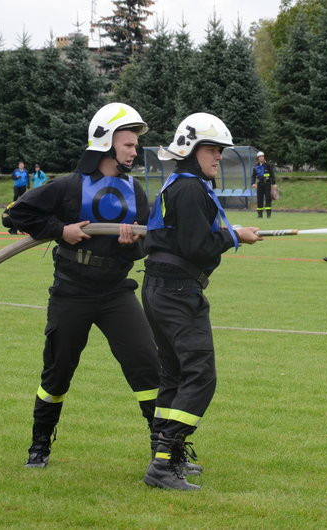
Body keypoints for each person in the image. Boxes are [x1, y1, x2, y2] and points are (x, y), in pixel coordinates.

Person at [5, 102, 161, 469]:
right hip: (71, 291)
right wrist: (60, 230)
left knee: (148, 365)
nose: (134, 152)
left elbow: (146, 244)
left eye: (135, 145)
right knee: (57, 372)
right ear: (106, 143)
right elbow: (14, 215)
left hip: (116, 292)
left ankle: (165, 451)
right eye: (128, 144)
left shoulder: (135, 191)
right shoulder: (68, 186)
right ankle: (39, 447)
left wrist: (132, 244)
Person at [141, 112, 262, 490]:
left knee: (175, 375)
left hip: (161, 288)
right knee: (201, 375)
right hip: (177, 292)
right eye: (212, 149)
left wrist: (232, 233)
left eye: (220, 150)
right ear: (191, 150)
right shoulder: (191, 189)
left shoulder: (180, 185)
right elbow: (197, 245)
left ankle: (166, 456)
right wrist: (235, 236)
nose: (219, 157)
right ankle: (163, 464)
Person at [251, 150, 277, 218]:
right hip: (260, 185)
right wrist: (253, 183)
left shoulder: (268, 165)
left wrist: (274, 184)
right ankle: (260, 215)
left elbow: (272, 175)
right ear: (258, 158)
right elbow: (253, 176)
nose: (262, 157)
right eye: (260, 156)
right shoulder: (256, 166)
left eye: (262, 156)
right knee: (259, 199)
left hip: (267, 184)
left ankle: (268, 215)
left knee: (268, 199)